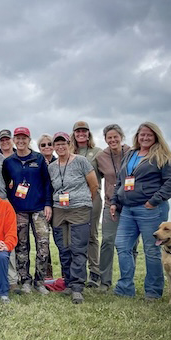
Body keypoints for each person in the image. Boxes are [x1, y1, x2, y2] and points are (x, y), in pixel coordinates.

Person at [111, 122, 171, 300]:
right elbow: (120, 180)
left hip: (151, 209)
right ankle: (125, 288)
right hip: (127, 209)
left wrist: (153, 201)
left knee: (152, 250)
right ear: (137, 136)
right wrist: (114, 201)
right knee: (122, 246)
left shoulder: (163, 156)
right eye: (142, 135)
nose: (145, 138)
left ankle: (153, 292)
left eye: (149, 135)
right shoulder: (130, 154)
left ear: (156, 136)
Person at [48, 132, 99, 304]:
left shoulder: (81, 161)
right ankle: (68, 282)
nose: (60, 147)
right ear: (54, 146)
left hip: (79, 208)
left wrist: (83, 201)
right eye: (57, 144)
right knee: (63, 247)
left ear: (69, 144)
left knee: (78, 247)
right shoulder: (52, 167)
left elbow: (94, 185)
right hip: (59, 209)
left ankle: (77, 287)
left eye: (64, 143)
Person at [2, 127, 52, 295]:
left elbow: (47, 183)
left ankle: (40, 281)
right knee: (21, 247)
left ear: (29, 139)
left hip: (39, 208)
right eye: (18, 138)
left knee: (43, 245)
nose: (21, 141)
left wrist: (48, 204)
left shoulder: (38, 158)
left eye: (24, 138)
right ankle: (25, 281)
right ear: (14, 140)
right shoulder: (9, 162)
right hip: (18, 210)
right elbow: (6, 184)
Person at [95, 124, 134, 293]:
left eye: (115, 137)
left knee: (130, 245)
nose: (112, 140)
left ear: (121, 136)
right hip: (110, 204)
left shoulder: (132, 153)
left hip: (131, 204)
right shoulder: (101, 157)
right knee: (107, 242)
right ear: (105, 139)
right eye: (109, 138)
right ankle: (104, 281)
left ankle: (128, 281)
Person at [71, 121, 103, 288]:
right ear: (74, 134)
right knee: (74, 237)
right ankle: (76, 272)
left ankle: (95, 272)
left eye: (84, 131)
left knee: (91, 235)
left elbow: (109, 173)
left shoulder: (97, 152)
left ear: (89, 133)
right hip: (73, 200)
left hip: (93, 198)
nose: (81, 134)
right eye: (78, 131)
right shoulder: (69, 151)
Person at [37, 132, 56, 278]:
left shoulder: (60, 161)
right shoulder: (36, 163)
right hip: (42, 205)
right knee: (44, 240)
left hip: (59, 204)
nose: (47, 147)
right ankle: (46, 272)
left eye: (49, 144)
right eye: (43, 145)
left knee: (60, 240)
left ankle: (67, 274)